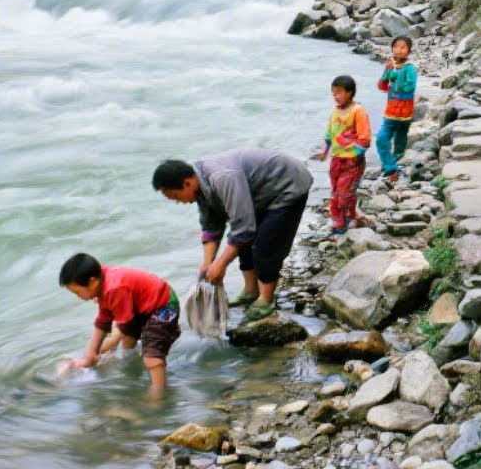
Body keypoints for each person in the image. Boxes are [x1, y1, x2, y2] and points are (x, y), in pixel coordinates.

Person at [152, 148, 313, 321]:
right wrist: (207, 264)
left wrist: (221, 264)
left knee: (265, 245)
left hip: (287, 183)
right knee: (242, 243)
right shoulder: (201, 185)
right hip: (260, 192)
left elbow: (244, 228)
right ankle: (251, 291)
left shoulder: (222, 177)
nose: (178, 202)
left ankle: (266, 299)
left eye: (176, 196)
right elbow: (211, 225)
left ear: (187, 183)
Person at [59, 253, 180, 399]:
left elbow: (125, 323)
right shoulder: (103, 282)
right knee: (128, 340)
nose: (78, 297)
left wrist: (107, 345)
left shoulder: (114, 288)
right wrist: (91, 356)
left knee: (151, 356)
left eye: (77, 292)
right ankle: (132, 367)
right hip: (144, 306)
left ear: (92, 282)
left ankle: (158, 394)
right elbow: (103, 320)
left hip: (164, 305)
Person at [317, 74, 371, 235]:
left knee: (345, 192)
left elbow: (365, 138)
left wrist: (355, 155)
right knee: (335, 191)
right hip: (336, 159)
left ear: (350, 92)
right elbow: (330, 132)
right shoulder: (336, 111)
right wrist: (325, 150)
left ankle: (346, 221)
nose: (336, 96)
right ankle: (340, 220)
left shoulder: (358, 111)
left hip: (352, 161)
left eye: (339, 93)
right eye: (334, 93)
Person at [376, 36, 418, 183]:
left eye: (403, 47)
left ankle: (395, 167)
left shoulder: (410, 68)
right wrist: (386, 73)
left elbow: (410, 87)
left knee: (400, 143)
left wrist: (395, 78)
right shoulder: (391, 66)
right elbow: (382, 86)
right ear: (392, 49)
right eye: (396, 47)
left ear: (408, 51)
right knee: (381, 139)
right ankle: (390, 167)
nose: (399, 50)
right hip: (390, 113)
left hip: (405, 114)